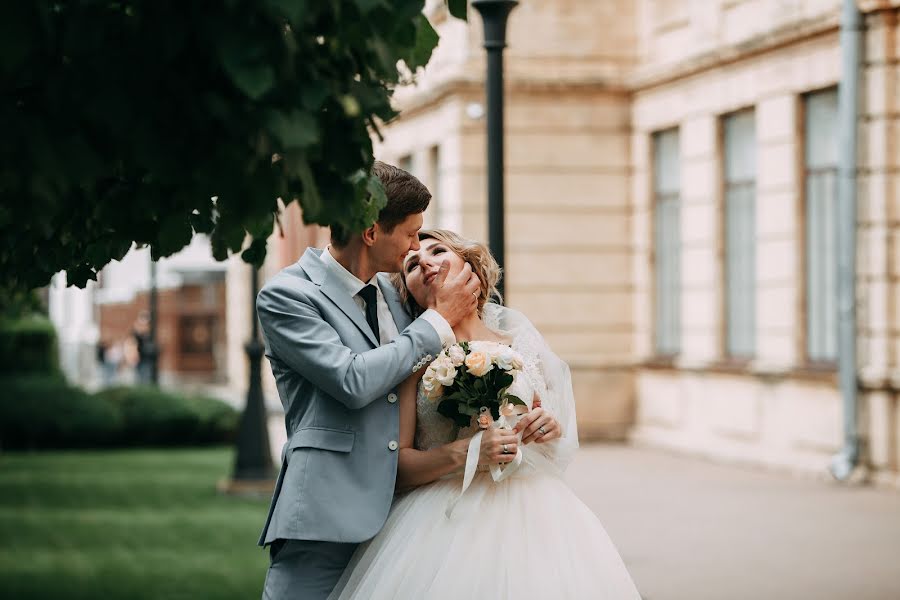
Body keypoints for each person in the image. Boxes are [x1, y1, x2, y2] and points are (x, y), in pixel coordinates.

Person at [255, 162, 554, 600]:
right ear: (373, 232)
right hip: (330, 512)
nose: (417, 245)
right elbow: (352, 379)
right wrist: (437, 319)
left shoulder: (395, 296)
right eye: (412, 234)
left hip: (409, 514)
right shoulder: (289, 296)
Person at [328, 230, 642, 600]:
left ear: (470, 266)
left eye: (438, 250)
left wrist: (547, 428)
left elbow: (553, 446)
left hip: (538, 516)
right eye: (412, 264)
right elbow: (398, 468)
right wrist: (471, 453)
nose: (425, 262)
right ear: (407, 292)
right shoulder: (410, 360)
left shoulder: (522, 346)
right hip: (442, 521)